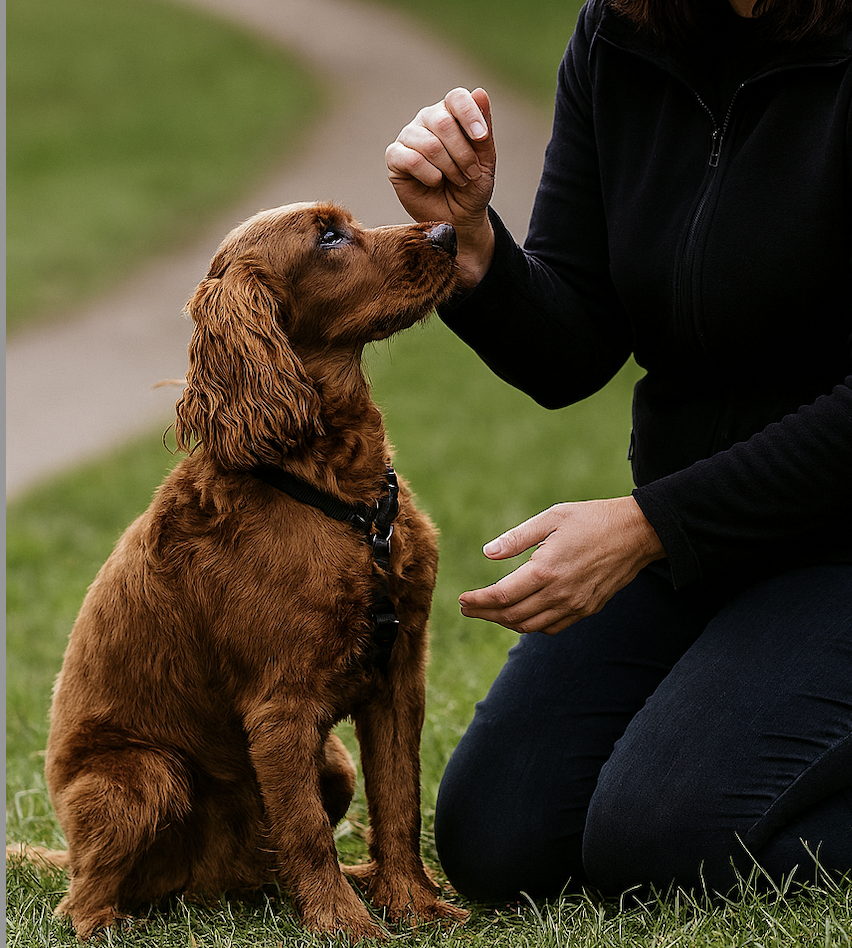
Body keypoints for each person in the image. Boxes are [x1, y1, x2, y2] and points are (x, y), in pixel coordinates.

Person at [385, 0, 852, 902]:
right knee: (499, 837)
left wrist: (649, 525)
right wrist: (474, 247)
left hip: (826, 543)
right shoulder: (625, 31)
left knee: (663, 839)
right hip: (704, 545)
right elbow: (574, 346)